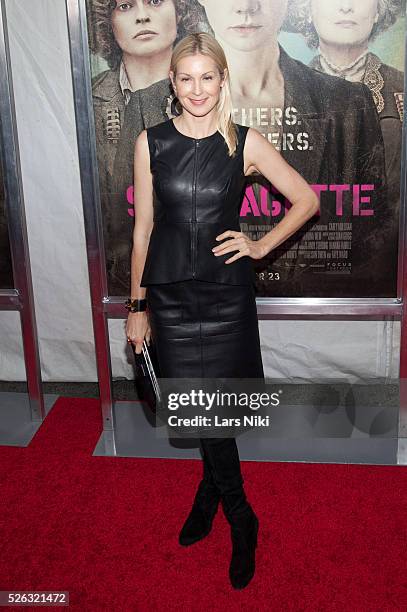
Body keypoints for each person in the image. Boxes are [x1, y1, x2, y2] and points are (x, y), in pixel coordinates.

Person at [125, 32, 319, 589]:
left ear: (222, 79)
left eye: (207, 76)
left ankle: (231, 512)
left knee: (219, 411)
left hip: (227, 296)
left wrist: (259, 245)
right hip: (171, 299)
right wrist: (136, 307)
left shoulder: (244, 143)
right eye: (185, 78)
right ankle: (234, 509)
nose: (197, 88)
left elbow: (306, 199)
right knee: (197, 411)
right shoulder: (150, 143)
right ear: (173, 83)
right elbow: (141, 232)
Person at [197, 0, 396, 298]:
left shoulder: (349, 101)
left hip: (324, 310)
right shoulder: (154, 105)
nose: (246, 7)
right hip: (204, 299)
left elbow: (374, 235)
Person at [87, 0, 208, 295]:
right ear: (107, 20)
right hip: (116, 281)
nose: (142, 16)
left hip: (203, 278)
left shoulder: (211, 97)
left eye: (155, 1)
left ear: (180, 11)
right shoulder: (85, 102)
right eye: (125, 5)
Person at [288, 0, 405, 244]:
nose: (346, 6)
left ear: (378, 11)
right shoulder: (282, 91)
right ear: (307, 9)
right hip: (300, 256)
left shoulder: (400, 90)